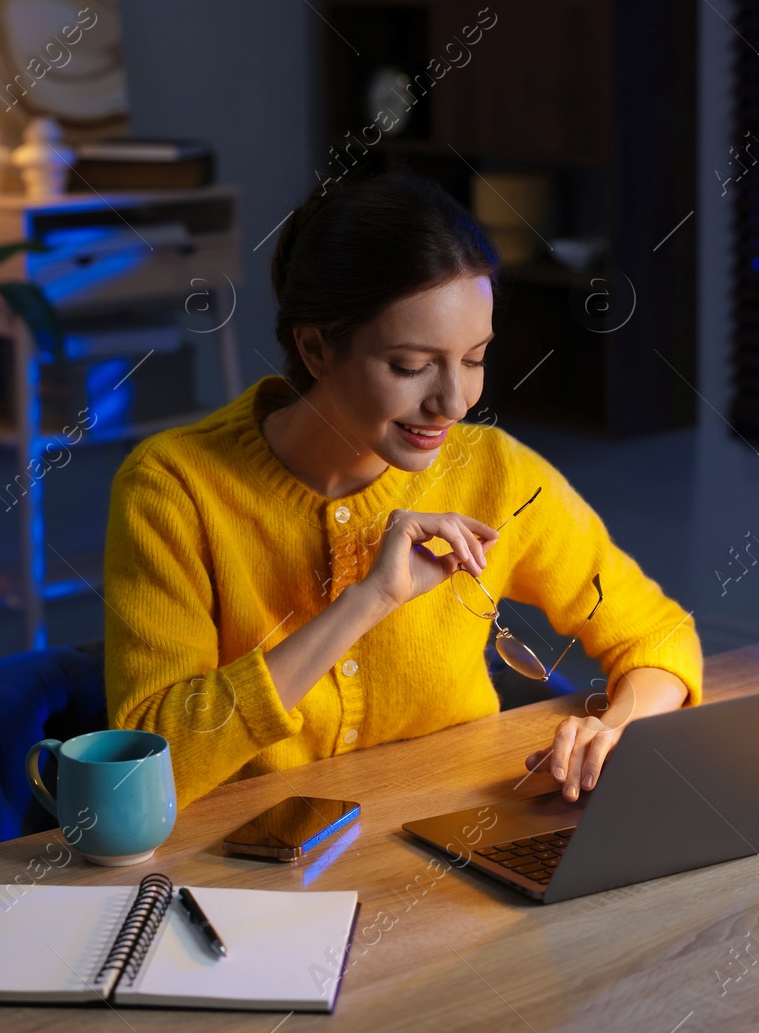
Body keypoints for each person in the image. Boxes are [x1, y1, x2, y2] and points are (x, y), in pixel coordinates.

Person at [103, 167, 701, 813]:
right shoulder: (172, 489)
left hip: (451, 851)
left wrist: (614, 729)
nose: (452, 402)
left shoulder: (498, 473)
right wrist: (367, 602)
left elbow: (659, 635)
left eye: (474, 359)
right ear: (315, 348)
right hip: (249, 875)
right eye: (411, 367)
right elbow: (146, 766)